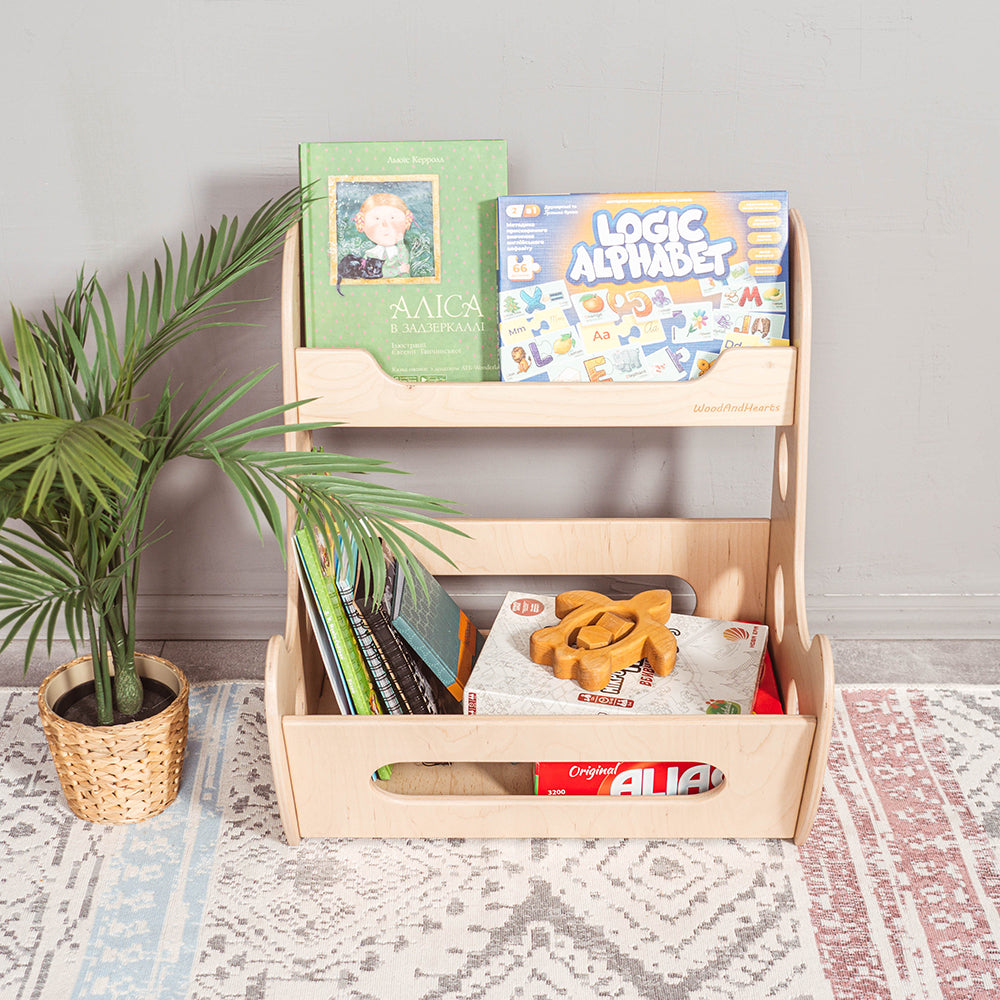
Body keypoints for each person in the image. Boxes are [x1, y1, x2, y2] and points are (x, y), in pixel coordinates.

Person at [354, 192, 413, 278]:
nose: (385, 225)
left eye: (392, 218)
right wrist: (399, 270)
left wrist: (400, 242)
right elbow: (374, 274)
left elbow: (405, 264)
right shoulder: (370, 254)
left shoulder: (399, 251)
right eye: (377, 219)